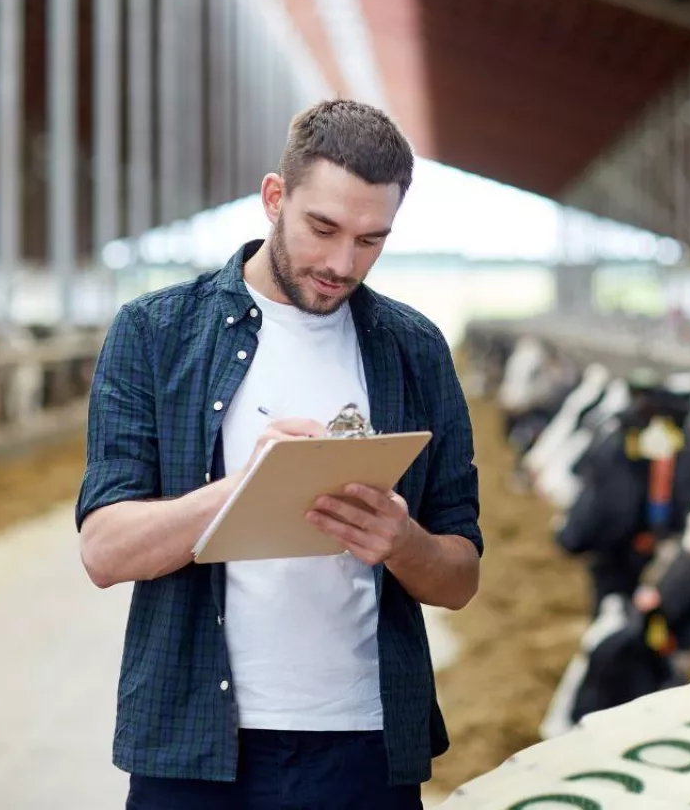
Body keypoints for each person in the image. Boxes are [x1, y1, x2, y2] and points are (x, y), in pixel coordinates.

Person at [75, 99, 484, 809]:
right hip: (194, 745)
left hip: (364, 745)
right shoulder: (155, 332)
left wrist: (402, 541)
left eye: (370, 240)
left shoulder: (414, 350)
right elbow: (105, 552)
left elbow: (460, 578)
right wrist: (243, 488)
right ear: (274, 198)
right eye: (322, 228)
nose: (340, 262)